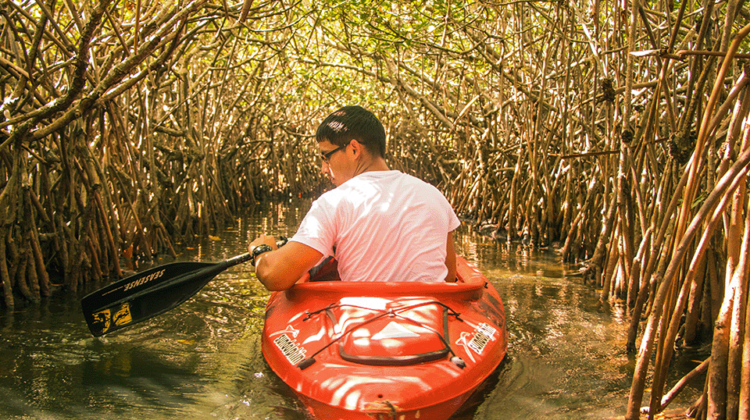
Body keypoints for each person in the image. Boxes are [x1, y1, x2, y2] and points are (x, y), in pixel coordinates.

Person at [248, 105, 460, 290]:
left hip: (364, 324)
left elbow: (273, 276)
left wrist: (262, 250)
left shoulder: (333, 203)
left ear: (354, 149)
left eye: (325, 156)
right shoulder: (434, 195)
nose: (323, 169)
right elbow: (449, 276)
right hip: (431, 320)